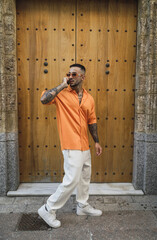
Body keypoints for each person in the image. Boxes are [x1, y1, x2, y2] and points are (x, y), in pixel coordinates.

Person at [38, 64, 102, 228]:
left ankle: (82, 205)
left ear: (83, 77)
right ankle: (48, 208)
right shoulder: (61, 94)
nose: (71, 76)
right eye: (68, 74)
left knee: (84, 176)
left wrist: (96, 141)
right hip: (70, 143)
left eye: (74, 74)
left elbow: (92, 121)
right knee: (71, 179)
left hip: (84, 144)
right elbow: (43, 99)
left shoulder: (89, 98)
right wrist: (61, 85)